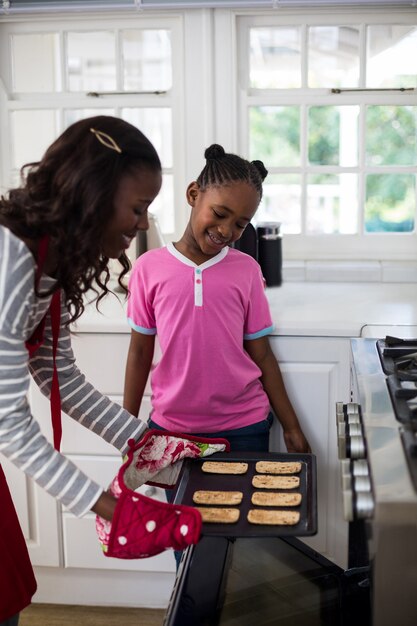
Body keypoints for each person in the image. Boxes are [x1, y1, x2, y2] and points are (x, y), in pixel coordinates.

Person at [0, 115, 162, 626]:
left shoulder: (52, 259)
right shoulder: (8, 257)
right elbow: (7, 419)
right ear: (92, 195)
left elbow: (59, 376)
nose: (141, 225)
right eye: (138, 208)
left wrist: (148, 442)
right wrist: (112, 508)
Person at [123, 143, 310, 455]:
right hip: (171, 432)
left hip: (245, 427)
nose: (226, 230)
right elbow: (139, 354)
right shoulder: (148, 268)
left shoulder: (247, 271)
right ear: (194, 194)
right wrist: (126, 427)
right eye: (220, 214)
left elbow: (261, 355)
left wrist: (292, 429)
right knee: (181, 507)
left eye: (240, 224)